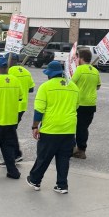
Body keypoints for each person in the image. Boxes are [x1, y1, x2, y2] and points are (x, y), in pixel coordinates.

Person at [26, 61, 79, 194]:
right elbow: (76, 106)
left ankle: (35, 180)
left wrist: (35, 126)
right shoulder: (73, 87)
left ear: (50, 74)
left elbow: (39, 110)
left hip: (51, 129)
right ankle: (62, 185)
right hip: (69, 129)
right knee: (63, 158)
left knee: (43, 157)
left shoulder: (45, 87)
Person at [70, 48, 101, 159]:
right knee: (84, 128)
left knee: (74, 127)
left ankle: (74, 149)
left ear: (81, 58)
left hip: (80, 103)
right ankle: (81, 149)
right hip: (91, 104)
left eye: (77, 57)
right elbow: (98, 86)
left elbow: (71, 84)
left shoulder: (79, 70)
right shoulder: (95, 70)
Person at [6, 55, 35, 164]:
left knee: (9, 131)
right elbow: (31, 89)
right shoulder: (26, 71)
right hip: (22, 105)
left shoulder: (9, 72)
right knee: (11, 130)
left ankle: (15, 154)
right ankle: (14, 153)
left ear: (10, 61)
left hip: (12, 105)